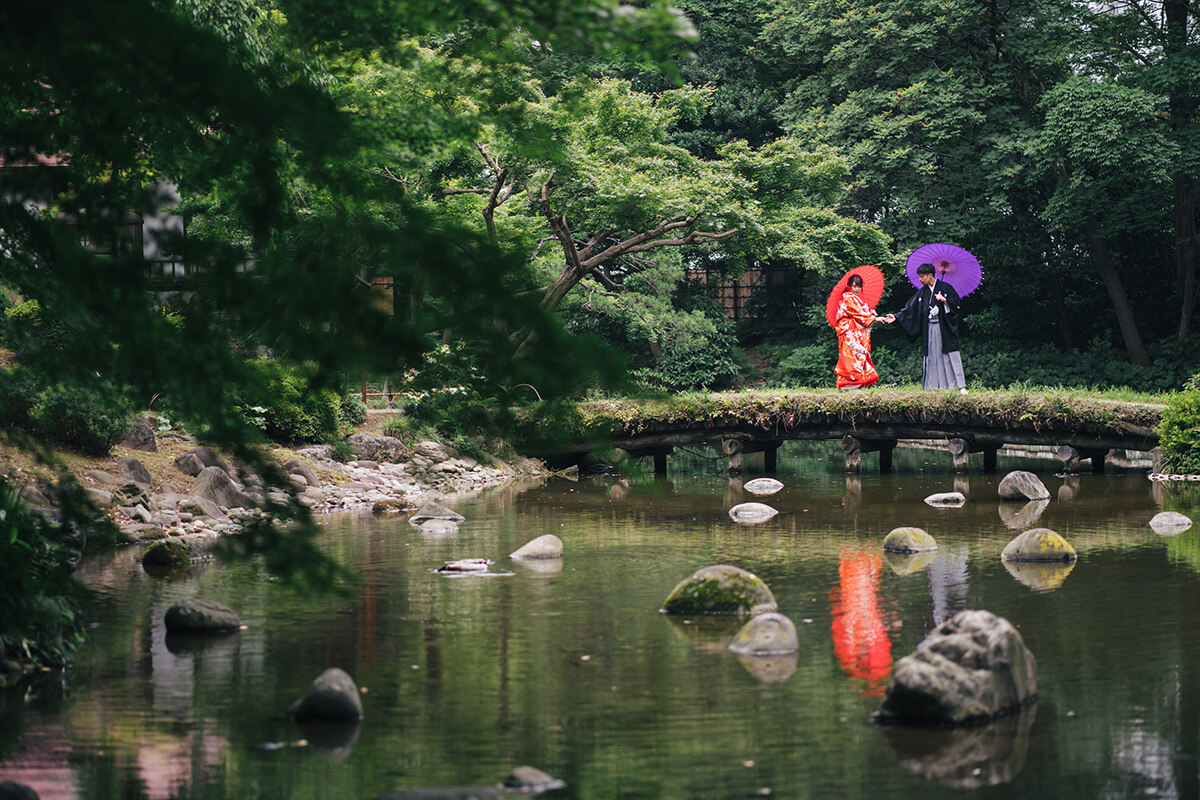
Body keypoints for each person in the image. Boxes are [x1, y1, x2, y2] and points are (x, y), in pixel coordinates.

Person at [883, 263, 967, 393]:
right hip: (930, 329)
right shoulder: (922, 292)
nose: (920, 280)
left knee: (948, 354)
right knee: (932, 355)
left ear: (930, 275)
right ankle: (932, 386)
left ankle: (959, 386)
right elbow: (910, 308)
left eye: (922, 277)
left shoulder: (946, 288)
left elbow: (957, 306)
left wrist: (944, 301)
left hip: (944, 328)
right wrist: (896, 317)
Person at [834, 273, 889, 390]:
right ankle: (848, 385)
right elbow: (859, 314)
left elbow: (863, 311)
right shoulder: (848, 299)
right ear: (849, 286)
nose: (857, 289)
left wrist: (872, 314)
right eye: (854, 286)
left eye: (859, 286)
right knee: (851, 357)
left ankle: (853, 385)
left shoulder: (855, 299)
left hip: (855, 332)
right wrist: (875, 318)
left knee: (858, 356)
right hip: (850, 333)